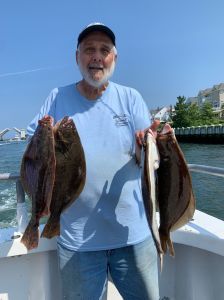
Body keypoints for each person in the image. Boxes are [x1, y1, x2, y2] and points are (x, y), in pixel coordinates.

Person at [27, 22, 160, 300]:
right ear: (77, 57)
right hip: (76, 242)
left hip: (133, 236)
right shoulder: (56, 97)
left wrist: (144, 144)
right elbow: (32, 148)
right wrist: (46, 135)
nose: (97, 56)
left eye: (104, 50)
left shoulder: (130, 98)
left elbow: (148, 159)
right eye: (89, 50)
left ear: (115, 58)